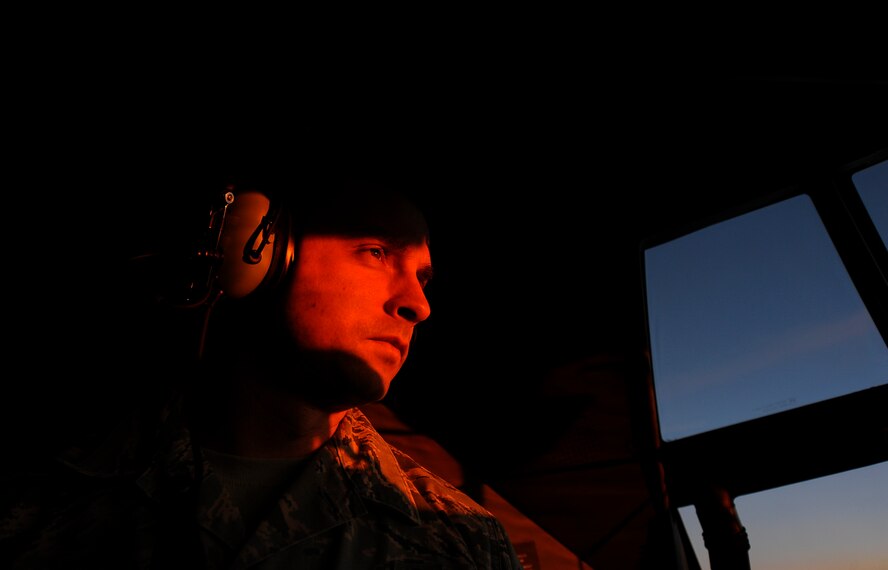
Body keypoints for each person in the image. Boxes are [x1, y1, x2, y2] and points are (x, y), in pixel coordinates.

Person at [0, 175, 524, 569]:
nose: (418, 305)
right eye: (376, 253)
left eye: (423, 279)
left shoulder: (462, 542)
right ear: (262, 253)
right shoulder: (41, 498)